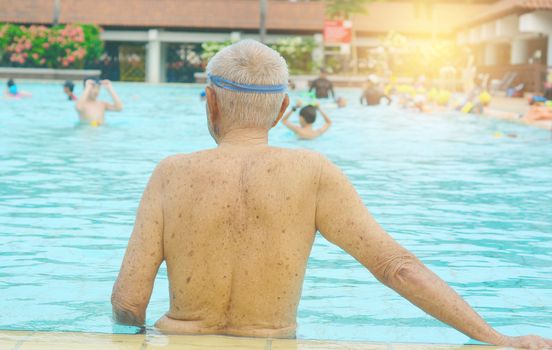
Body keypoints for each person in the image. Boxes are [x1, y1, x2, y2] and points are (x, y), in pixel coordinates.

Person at [111, 40, 551, 349]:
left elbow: (129, 301)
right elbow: (397, 268)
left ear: (210, 102)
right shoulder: (313, 172)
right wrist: (498, 339)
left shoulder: (170, 173)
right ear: (284, 110)